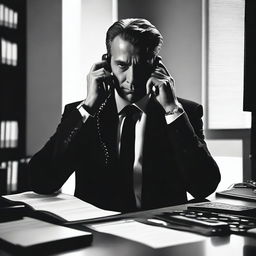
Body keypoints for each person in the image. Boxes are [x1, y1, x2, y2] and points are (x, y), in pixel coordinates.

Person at [28, 18, 220, 212]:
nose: (133, 79)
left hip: (161, 232)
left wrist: (172, 109)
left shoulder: (183, 113)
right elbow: (41, 181)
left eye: (143, 65)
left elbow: (204, 186)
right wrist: (87, 108)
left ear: (157, 65)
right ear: (106, 63)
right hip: (99, 234)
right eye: (122, 65)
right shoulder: (80, 113)